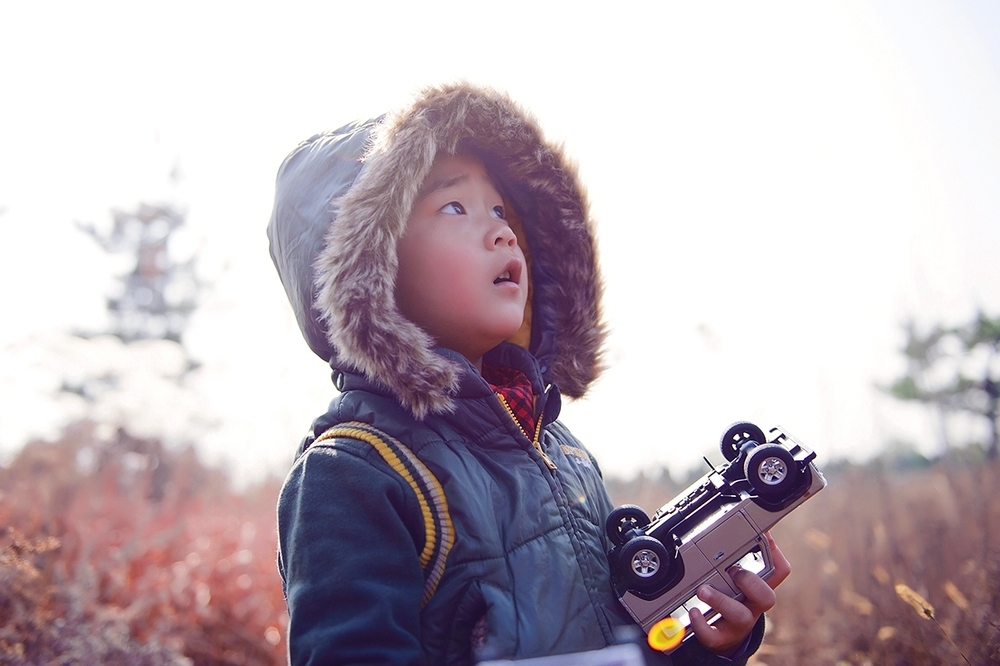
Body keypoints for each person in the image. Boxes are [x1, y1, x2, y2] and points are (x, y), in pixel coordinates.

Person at [267, 83, 789, 665]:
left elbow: (627, 643)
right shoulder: (353, 474)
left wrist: (704, 646)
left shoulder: (558, 448)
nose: (502, 231)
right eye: (454, 207)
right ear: (371, 265)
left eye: (500, 209)